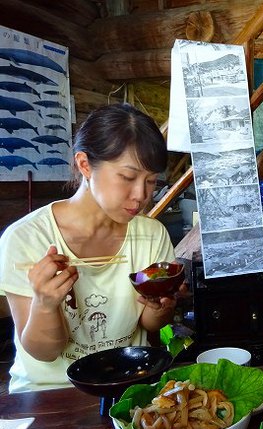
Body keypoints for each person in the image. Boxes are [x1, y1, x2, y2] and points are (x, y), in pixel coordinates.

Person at [0, 103, 184, 392]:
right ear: (84, 164)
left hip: (129, 385)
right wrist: (46, 304)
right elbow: (44, 353)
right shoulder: (27, 238)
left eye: (151, 182)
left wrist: (161, 307)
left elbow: (150, 323)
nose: (141, 195)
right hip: (51, 394)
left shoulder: (151, 234)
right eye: (127, 177)